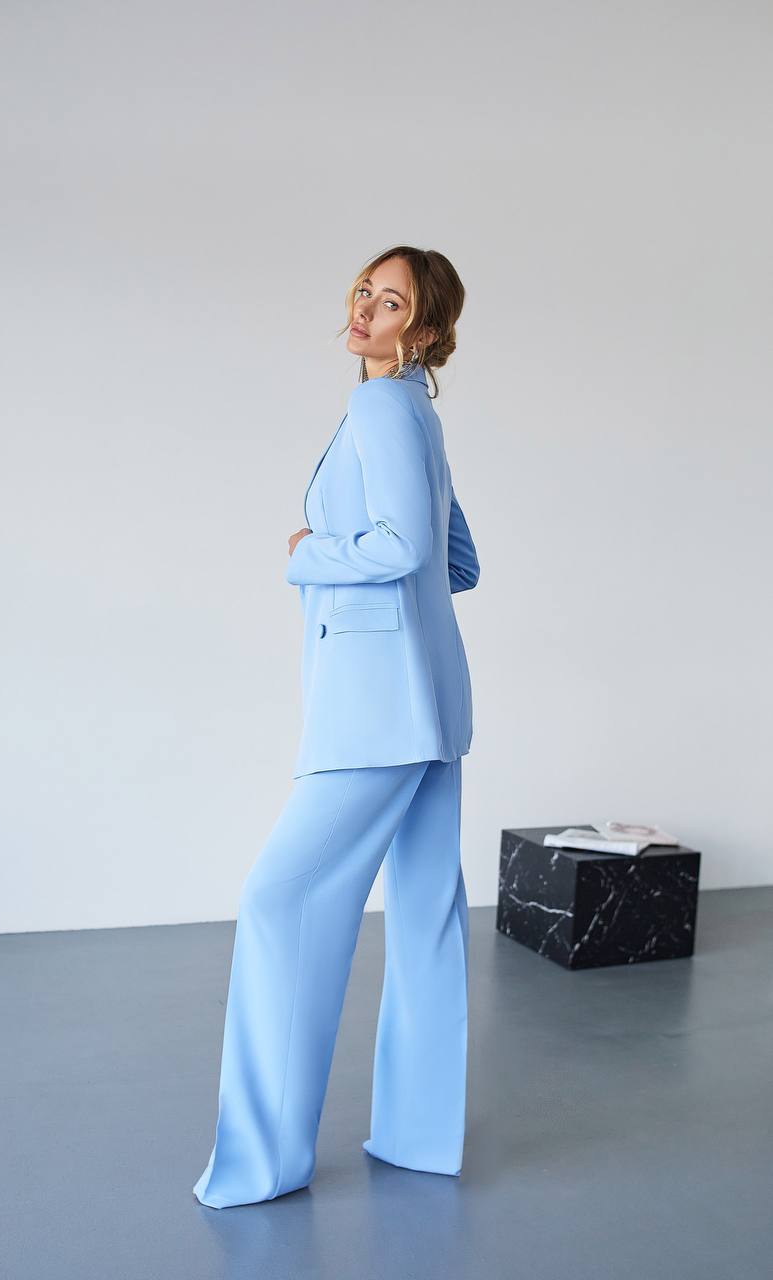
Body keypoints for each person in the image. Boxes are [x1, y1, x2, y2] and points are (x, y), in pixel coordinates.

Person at [193, 245, 480, 1209]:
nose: (364, 307)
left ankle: (261, 1164)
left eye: (389, 301)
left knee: (279, 903)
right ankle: (419, 1140)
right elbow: (457, 561)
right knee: (427, 919)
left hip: (378, 711)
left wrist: (310, 552)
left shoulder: (378, 406)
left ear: (423, 331)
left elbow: (404, 549)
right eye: (364, 289)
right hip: (428, 702)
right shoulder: (414, 415)